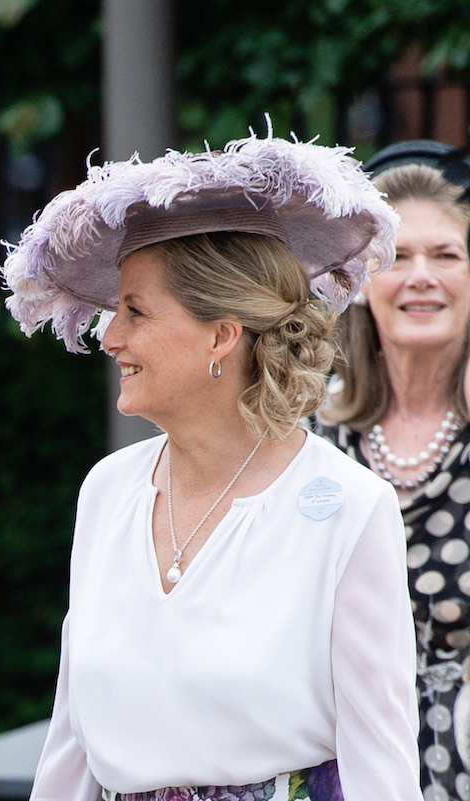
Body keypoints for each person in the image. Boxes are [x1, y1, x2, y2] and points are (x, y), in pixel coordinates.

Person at [1, 132, 422, 801]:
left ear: (222, 335)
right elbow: (71, 743)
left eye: (134, 311)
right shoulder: (107, 491)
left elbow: (382, 761)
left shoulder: (349, 508)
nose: (110, 336)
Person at [315, 141, 470, 801]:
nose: (420, 276)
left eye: (446, 255)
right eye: (397, 257)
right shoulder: (307, 438)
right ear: (359, 284)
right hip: (342, 765)